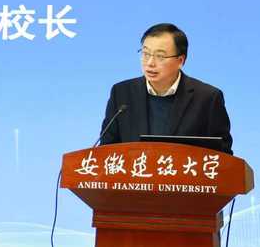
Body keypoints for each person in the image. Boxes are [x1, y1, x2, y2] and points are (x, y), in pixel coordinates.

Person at [99, 23, 233, 154]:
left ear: (180, 61)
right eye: (146, 53)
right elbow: (106, 151)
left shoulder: (207, 98)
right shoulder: (121, 94)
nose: (150, 63)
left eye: (160, 56)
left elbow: (223, 155)